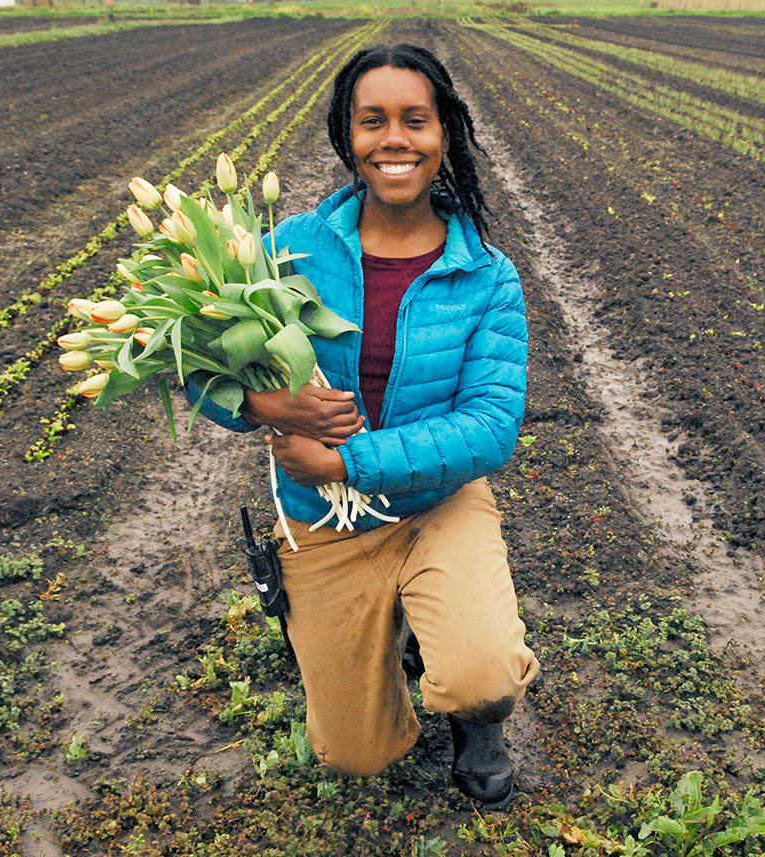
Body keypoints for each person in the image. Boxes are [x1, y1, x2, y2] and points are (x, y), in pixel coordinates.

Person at [186, 43, 539, 806]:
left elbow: (489, 427)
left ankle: (475, 714)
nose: (395, 140)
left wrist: (350, 462)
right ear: (347, 135)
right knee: (354, 756)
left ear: (444, 132)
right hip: (322, 522)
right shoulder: (286, 251)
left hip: (435, 505)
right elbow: (198, 373)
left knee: (480, 666)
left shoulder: (485, 274)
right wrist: (270, 408)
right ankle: (397, 652)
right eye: (372, 120)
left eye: (416, 119)